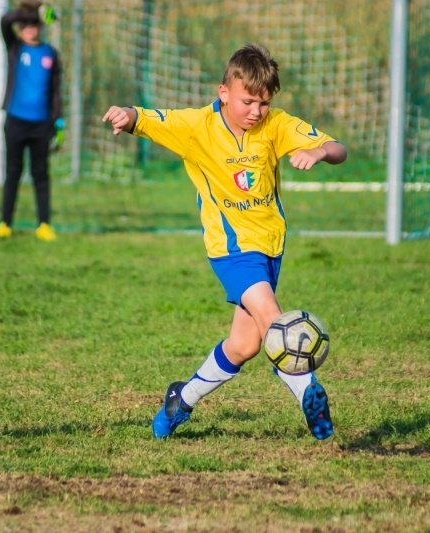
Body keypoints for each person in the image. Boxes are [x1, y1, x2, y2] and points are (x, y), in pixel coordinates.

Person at [103, 43, 348, 440]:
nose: (256, 111)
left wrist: (319, 151)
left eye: (264, 103)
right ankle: (311, 396)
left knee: (244, 345)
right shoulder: (197, 127)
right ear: (224, 93)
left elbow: (340, 149)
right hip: (232, 249)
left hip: (270, 246)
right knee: (275, 321)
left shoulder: (276, 124)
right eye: (248, 101)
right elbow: (146, 119)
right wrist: (125, 115)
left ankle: (182, 398)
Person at [0, 0, 63, 242]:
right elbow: (5, 21)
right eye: (26, 24)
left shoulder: (51, 53)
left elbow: (56, 91)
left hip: (42, 124)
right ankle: (5, 222)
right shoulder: (14, 48)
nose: (30, 29)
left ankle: (43, 224)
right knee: (12, 172)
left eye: (35, 24)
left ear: (41, 27)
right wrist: (34, 10)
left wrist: (59, 123)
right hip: (15, 121)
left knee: (41, 174)